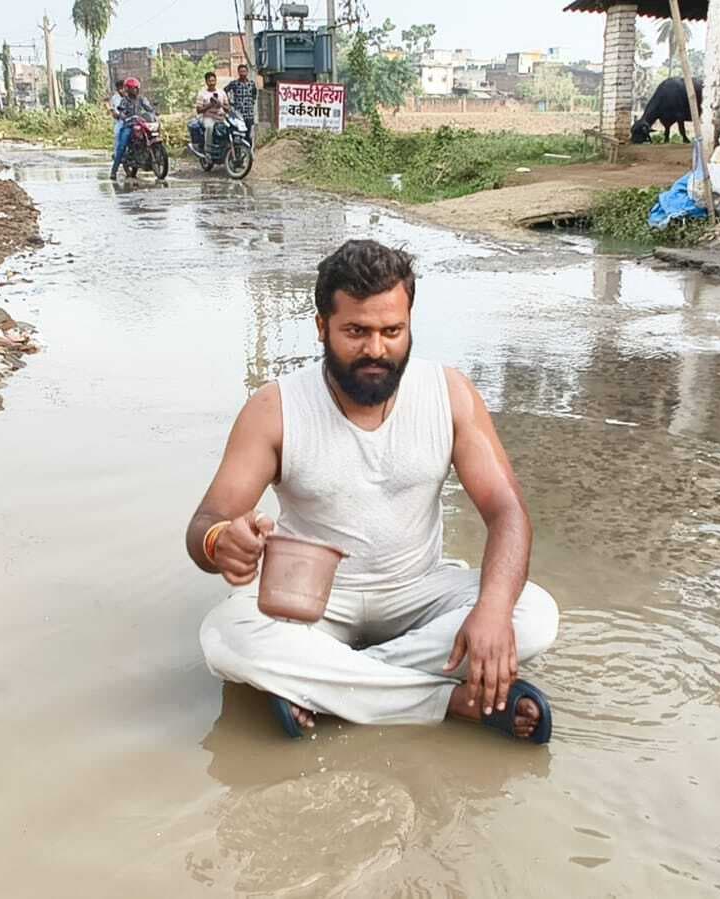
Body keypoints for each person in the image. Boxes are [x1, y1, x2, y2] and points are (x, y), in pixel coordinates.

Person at [187, 240, 560, 743]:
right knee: (225, 637)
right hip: (311, 604)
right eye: (356, 332)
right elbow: (207, 520)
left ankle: (323, 686)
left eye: (392, 331)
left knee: (533, 615)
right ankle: (448, 701)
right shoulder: (276, 407)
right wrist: (219, 542)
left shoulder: (449, 394)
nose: (376, 350)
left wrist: (492, 610)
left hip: (419, 591)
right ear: (322, 327)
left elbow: (507, 511)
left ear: (410, 323)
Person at [110, 78, 155, 181]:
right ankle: (114, 171)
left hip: (141, 124)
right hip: (129, 125)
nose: (134, 90)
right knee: (121, 146)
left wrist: (154, 112)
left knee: (151, 135)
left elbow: (149, 108)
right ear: (128, 89)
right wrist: (123, 116)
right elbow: (121, 111)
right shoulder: (124, 100)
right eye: (132, 88)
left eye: (136, 88)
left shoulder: (141, 99)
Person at [190, 72, 230, 160]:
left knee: (230, 127)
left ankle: (227, 148)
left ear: (216, 81)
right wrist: (210, 105)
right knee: (209, 127)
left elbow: (227, 108)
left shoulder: (221, 92)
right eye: (210, 81)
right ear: (206, 82)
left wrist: (221, 104)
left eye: (213, 80)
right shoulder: (202, 93)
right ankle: (207, 151)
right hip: (208, 117)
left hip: (220, 117)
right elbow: (198, 110)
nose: (212, 83)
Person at [225, 63, 258, 129]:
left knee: (249, 134)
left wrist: (252, 101)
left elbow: (254, 94)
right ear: (238, 72)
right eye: (241, 71)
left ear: (247, 72)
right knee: (239, 132)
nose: (242, 73)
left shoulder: (251, 83)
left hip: (249, 113)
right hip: (238, 113)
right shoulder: (234, 83)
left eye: (244, 71)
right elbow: (225, 90)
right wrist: (229, 102)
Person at [109, 79, 125, 146]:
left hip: (131, 121)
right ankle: (117, 154)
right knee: (118, 134)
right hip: (120, 121)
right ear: (118, 89)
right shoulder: (115, 98)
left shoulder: (129, 96)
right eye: (121, 88)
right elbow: (115, 113)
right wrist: (119, 115)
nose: (123, 90)